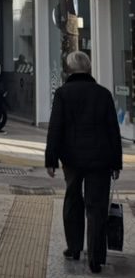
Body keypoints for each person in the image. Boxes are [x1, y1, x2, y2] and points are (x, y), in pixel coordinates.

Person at [44, 51, 122, 274]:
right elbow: (113, 130)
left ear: (69, 71)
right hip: (101, 159)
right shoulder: (103, 94)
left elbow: (55, 127)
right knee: (96, 207)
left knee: (73, 200)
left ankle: (74, 247)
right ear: (88, 69)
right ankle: (96, 257)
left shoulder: (62, 93)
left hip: (72, 159)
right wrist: (116, 162)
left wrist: (51, 159)